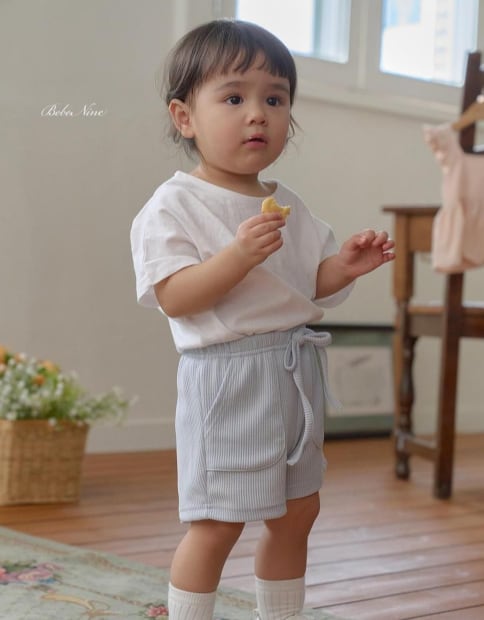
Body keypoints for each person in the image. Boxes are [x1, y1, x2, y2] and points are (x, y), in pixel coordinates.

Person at [130, 19, 395, 620]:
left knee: (299, 511)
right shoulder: (174, 204)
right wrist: (237, 256)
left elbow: (304, 285)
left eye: (275, 99)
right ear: (184, 117)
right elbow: (175, 296)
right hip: (226, 380)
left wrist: (343, 267)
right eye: (234, 98)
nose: (258, 114)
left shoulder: (287, 202)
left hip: (293, 371)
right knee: (217, 521)